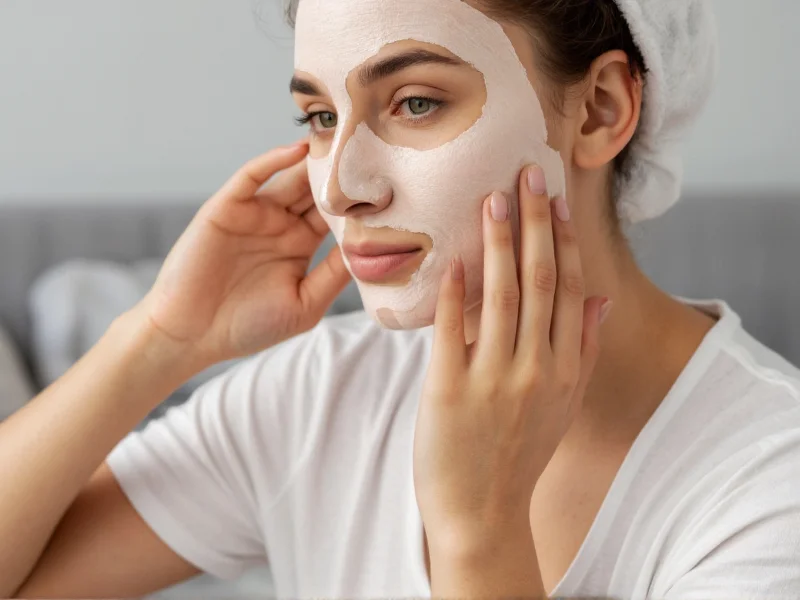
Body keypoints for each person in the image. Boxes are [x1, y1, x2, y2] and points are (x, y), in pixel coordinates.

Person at [2, 0, 799, 598]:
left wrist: (476, 532)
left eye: (416, 101)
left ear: (601, 111)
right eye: (319, 116)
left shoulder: (770, 481)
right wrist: (160, 339)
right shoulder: (325, 392)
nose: (342, 186)